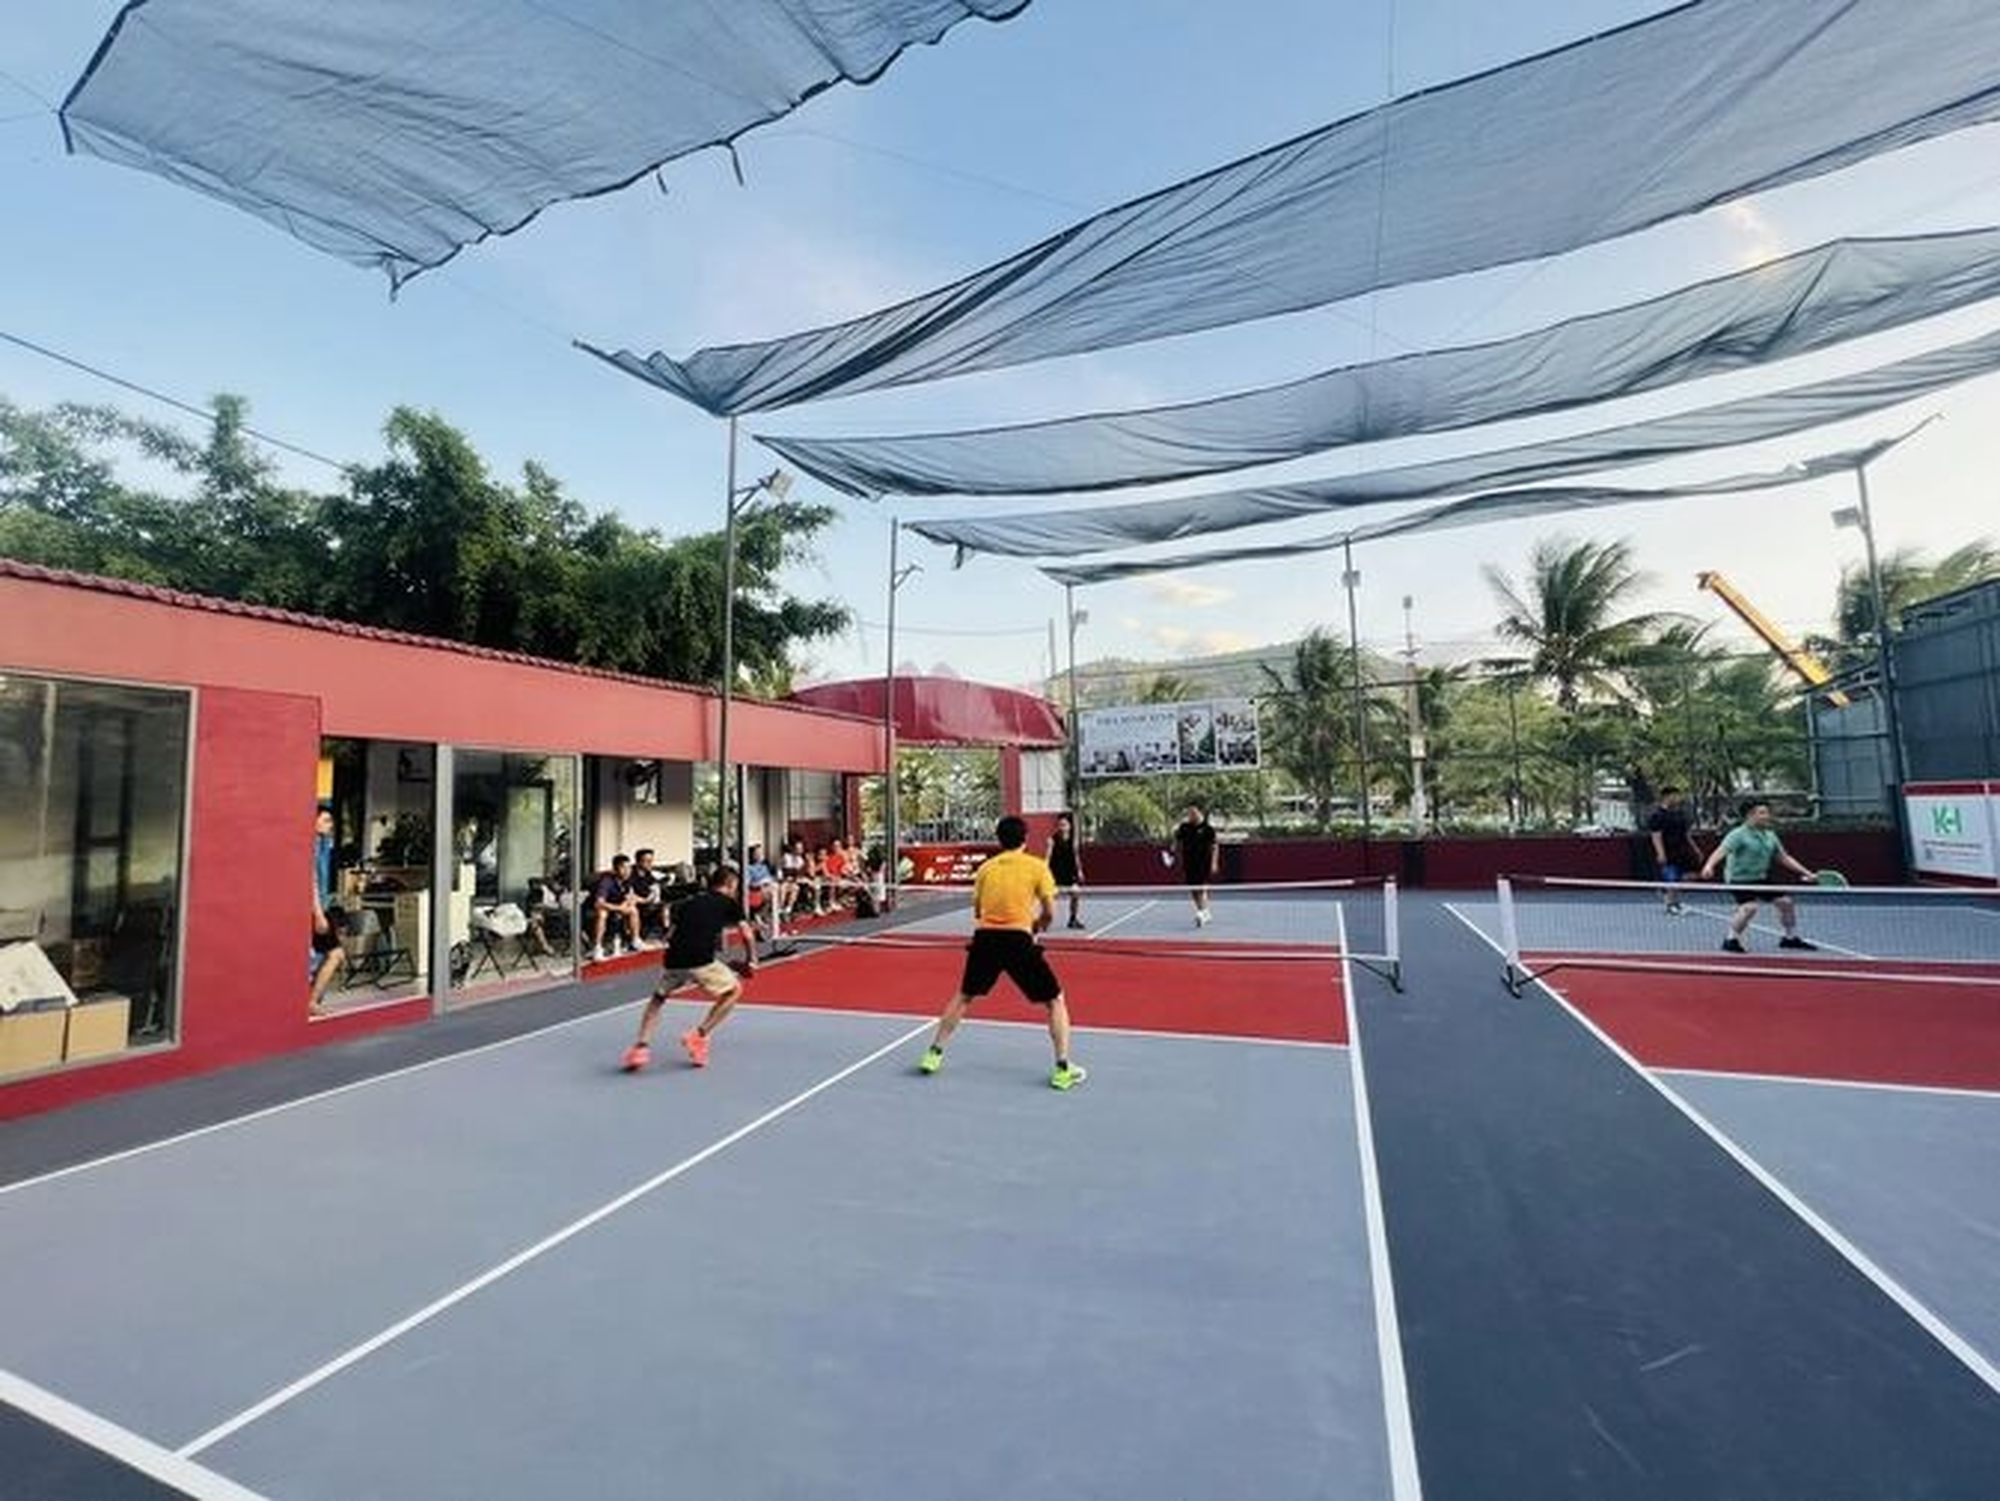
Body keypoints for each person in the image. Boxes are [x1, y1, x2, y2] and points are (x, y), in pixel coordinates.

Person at [917, 814, 1086, 1091]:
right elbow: (1049, 913)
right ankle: (1063, 1069)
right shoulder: (1037, 867)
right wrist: (1037, 925)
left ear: (999, 840)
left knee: (964, 996)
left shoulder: (986, 869)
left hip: (985, 939)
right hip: (1018, 941)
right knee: (1055, 1000)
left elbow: (978, 912)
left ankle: (933, 1053)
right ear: (1025, 839)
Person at [621, 866, 760, 1071]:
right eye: (736, 886)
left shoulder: (688, 903)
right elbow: (747, 934)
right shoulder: (730, 903)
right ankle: (699, 1035)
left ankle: (640, 1047)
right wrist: (751, 960)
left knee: (658, 1000)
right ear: (731, 884)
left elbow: (671, 935)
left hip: (674, 959)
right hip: (701, 960)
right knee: (734, 990)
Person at [1699, 799, 1820, 953]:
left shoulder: (1770, 835)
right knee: (1749, 908)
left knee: (1786, 903)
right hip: (1739, 879)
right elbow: (1721, 851)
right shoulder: (1738, 834)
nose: (1767, 816)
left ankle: (1790, 938)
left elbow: (1784, 857)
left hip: (1760, 877)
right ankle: (1731, 940)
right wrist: (1709, 866)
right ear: (1750, 815)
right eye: (1762, 813)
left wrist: (1807, 873)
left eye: (1767, 812)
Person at [309, 802, 345, 1017]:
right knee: (336, 954)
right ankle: (312, 1002)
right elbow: (311, 882)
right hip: (314, 911)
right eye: (325, 820)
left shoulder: (323, 844)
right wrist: (318, 914)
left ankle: (312, 999)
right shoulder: (312, 846)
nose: (330, 824)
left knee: (328, 955)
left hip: (320, 907)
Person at [1646, 787, 1703, 914]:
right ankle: (1671, 905)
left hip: (1682, 851)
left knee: (1683, 877)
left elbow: (1686, 834)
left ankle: (1673, 900)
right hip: (1668, 852)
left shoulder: (1680, 814)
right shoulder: (1657, 815)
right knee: (1672, 878)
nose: (1678, 798)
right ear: (1667, 797)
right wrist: (1660, 853)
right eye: (1675, 796)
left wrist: (1696, 849)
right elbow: (1656, 836)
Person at [1172, 803, 1220, 926]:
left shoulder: (1208, 829)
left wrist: (1214, 863)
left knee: (1201, 888)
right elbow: (1177, 841)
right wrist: (1173, 853)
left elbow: (1215, 847)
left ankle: (1201, 913)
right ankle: (1204, 912)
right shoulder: (1184, 827)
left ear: (1199, 813)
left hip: (1204, 863)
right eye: (1189, 813)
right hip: (1189, 863)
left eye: (1193, 813)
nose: (1191, 815)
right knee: (1193, 890)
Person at [589, 854, 643, 961]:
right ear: (615, 869)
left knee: (633, 910)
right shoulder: (606, 881)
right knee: (602, 913)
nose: (627, 871)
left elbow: (630, 896)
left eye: (629, 868)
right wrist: (619, 908)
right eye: (623, 868)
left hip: (616, 907)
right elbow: (599, 903)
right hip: (596, 908)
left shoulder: (628, 880)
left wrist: (626, 904)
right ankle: (597, 947)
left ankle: (635, 940)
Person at [1046, 812, 1086, 929]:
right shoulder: (1052, 840)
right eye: (1060, 825)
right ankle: (1046, 920)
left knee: (1076, 893)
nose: (1061, 827)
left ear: (1069, 826)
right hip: (1055, 871)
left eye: (1064, 825)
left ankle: (1073, 920)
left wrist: (1079, 870)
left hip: (1069, 871)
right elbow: (1048, 857)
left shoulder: (1073, 840)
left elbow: (1076, 855)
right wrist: (1044, 870)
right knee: (1050, 896)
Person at [743, 843, 782, 939]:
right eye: (757, 853)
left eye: (760, 853)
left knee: (780, 888)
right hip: (756, 890)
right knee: (771, 892)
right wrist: (761, 884)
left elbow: (769, 878)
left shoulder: (764, 866)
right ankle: (760, 916)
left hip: (768, 887)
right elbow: (748, 883)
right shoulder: (748, 868)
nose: (759, 855)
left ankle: (777, 911)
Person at [628, 848, 664, 941]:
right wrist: (645, 900)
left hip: (648, 901)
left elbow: (653, 888)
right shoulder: (630, 873)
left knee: (668, 906)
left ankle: (663, 936)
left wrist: (651, 898)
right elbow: (629, 894)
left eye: (651, 861)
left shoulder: (648, 874)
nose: (650, 864)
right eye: (647, 861)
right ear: (638, 862)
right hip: (635, 903)